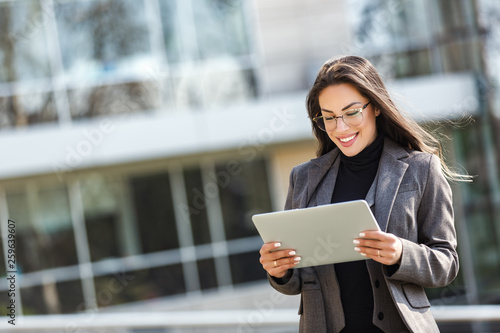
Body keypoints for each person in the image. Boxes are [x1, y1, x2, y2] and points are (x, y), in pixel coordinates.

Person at [259, 55, 466, 333]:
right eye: (329, 118)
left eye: (352, 112)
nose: (340, 128)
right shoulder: (304, 178)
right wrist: (279, 270)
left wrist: (401, 253)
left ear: (376, 107)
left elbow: (446, 264)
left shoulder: (421, 168)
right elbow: (296, 281)